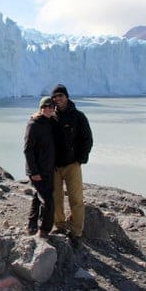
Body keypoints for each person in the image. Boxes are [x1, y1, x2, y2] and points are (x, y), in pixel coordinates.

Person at [50, 84, 93, 248]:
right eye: (55, 97)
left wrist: (80, 159)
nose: (57, 99)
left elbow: (87, 139)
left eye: (60, 96)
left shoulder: (78, 116)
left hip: (72, 164)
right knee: (56, 197)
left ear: (66, 97)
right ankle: (59, 225)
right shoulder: (51, 117)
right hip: (54, 166)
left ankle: (76, 231)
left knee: (76, 198)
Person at [23, 96, 57, 238]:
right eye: (45, 106)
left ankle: (31, 225)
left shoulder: (50, 123)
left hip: (48, 169)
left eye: (51, 106)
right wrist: (33, 171)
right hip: (37, 171)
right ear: (40, 108)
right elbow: (28, 149)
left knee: (38, 197)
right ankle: (44, 230)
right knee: (49, 201)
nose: (48, 109)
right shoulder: (34, 124)